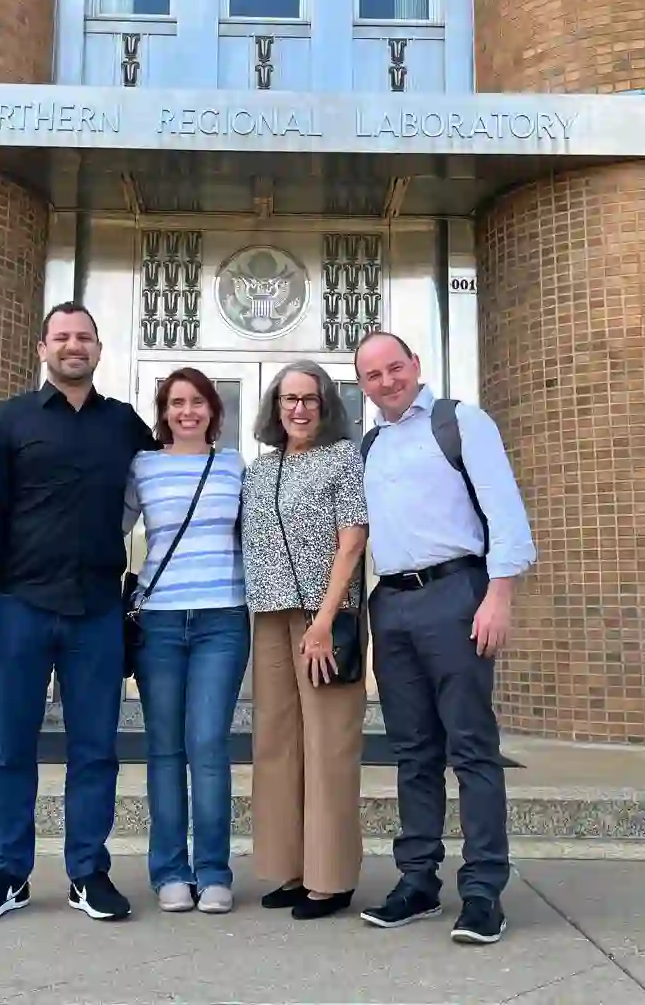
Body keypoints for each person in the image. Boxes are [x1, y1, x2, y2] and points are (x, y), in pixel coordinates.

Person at [0, 302, 156, 925]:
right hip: (18, 604)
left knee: (96, 750)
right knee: (11, 746)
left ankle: (88, 872)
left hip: (95, 609)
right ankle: (7, 873)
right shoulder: (11, 419)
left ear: (98, 349)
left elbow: (172, 479)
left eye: (84, 337)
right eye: (62, 337)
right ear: (43, 349)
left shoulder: (125, 425)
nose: (73, 346)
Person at [352, 331, 537, 946]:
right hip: (394, 604)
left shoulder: (459, 422)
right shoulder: (370, 445)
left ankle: (483, 890)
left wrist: (498, 595)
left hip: (458, 596)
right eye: (373, 376)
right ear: (364, 386)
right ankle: (418, 880)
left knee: (472, 748)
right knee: (413, 751)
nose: (386, 382)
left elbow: (505, 509)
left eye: (394, 368)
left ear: (416, 366)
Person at [239, 360, 369, 921]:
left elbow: (353, 539)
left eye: (309, 399)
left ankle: (331, 877)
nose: (299, 409)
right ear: (275, 406)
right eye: (289, 399)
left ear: (325, 405)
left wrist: (324, 618)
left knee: (328, 743)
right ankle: (289, 867)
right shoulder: (258, 470)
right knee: (275, 742)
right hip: (268, 615)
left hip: (325, 619)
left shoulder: (344, 458)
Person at [122, 368, 249, 915]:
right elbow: (110, 529)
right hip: (160, 622)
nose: (187, 412)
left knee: (208, 745)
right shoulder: (142, 466)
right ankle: (170, 871)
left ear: (212, 410)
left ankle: (214, 871)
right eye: (177, 403)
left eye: (197, 402)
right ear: (164, 411)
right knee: (165, 750)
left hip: (223, 618)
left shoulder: (234, 465)